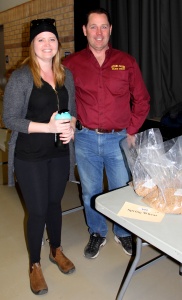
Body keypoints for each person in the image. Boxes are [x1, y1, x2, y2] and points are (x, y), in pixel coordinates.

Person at [63, 8, 150, 259]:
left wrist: (132, 130)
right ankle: (97, 232)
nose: (98, 33)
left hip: (118, 139)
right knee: (90, 190)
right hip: (86, 139)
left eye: (103, 27)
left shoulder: (127, 61)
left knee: (120, 189)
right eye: (93, 27)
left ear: (110, 30)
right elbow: (62, 98)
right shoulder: (71, 64)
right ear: (84, 30)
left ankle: (123, 233)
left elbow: (142, 100)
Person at [3, 18, 76, 295]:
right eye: (41, 39)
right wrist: (47, 126)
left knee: (54, 204)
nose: (47, 44)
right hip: (30, 155)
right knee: (37, 211)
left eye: (52, 39)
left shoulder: (65, 75)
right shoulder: (21, 76)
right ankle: (35, 264)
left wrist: (71, 129)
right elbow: (9, 118)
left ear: (58, 44)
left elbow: (73, 112)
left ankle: (55, 250)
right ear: (32, 44)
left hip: (58, 153)